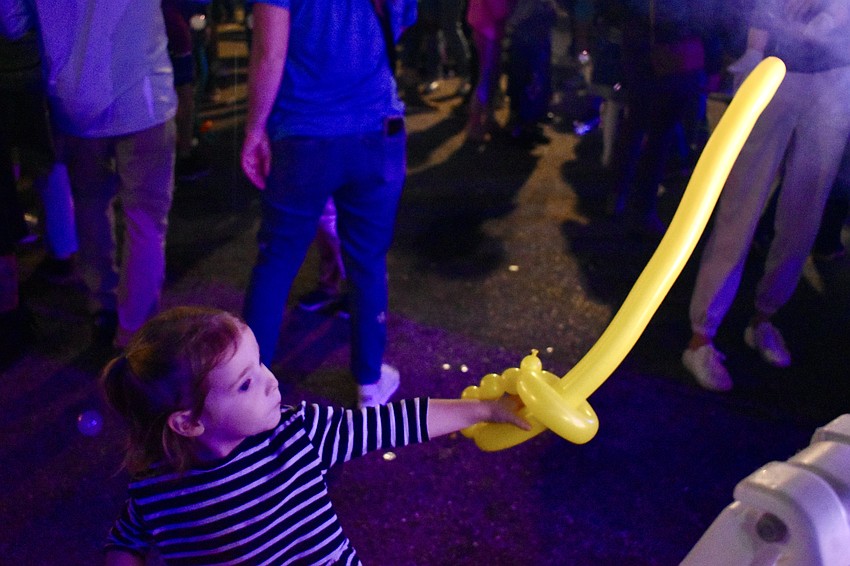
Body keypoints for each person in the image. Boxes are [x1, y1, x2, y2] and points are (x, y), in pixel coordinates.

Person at [101, 306, 529, 565]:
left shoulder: (299, 434)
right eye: (245, 384)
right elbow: (125, 542)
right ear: (189, 422)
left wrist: (486, 409)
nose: (270, 382)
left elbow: (392, 423)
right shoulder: (155, 489)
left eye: (261, 364)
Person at [240, 0, 416, 407]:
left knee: (277, 261)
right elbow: (398, 29)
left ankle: (248, 391)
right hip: (377, 129)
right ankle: (369, 382)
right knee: (368, 260)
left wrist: (254, 130)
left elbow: (270, 54)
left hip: (304, 134)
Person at [682, 0, 850, 391]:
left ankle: (764, 318)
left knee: (803, 216)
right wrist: (754, 51)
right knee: (741, 207)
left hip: (837, 79)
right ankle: (700, 336)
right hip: (774, 71)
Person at [1, 0, 178, 350]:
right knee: (145, 221)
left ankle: (102, 305)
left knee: (90, 206)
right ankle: (134, 333)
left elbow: (11, 23)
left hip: (74, 98)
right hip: (144, 95)